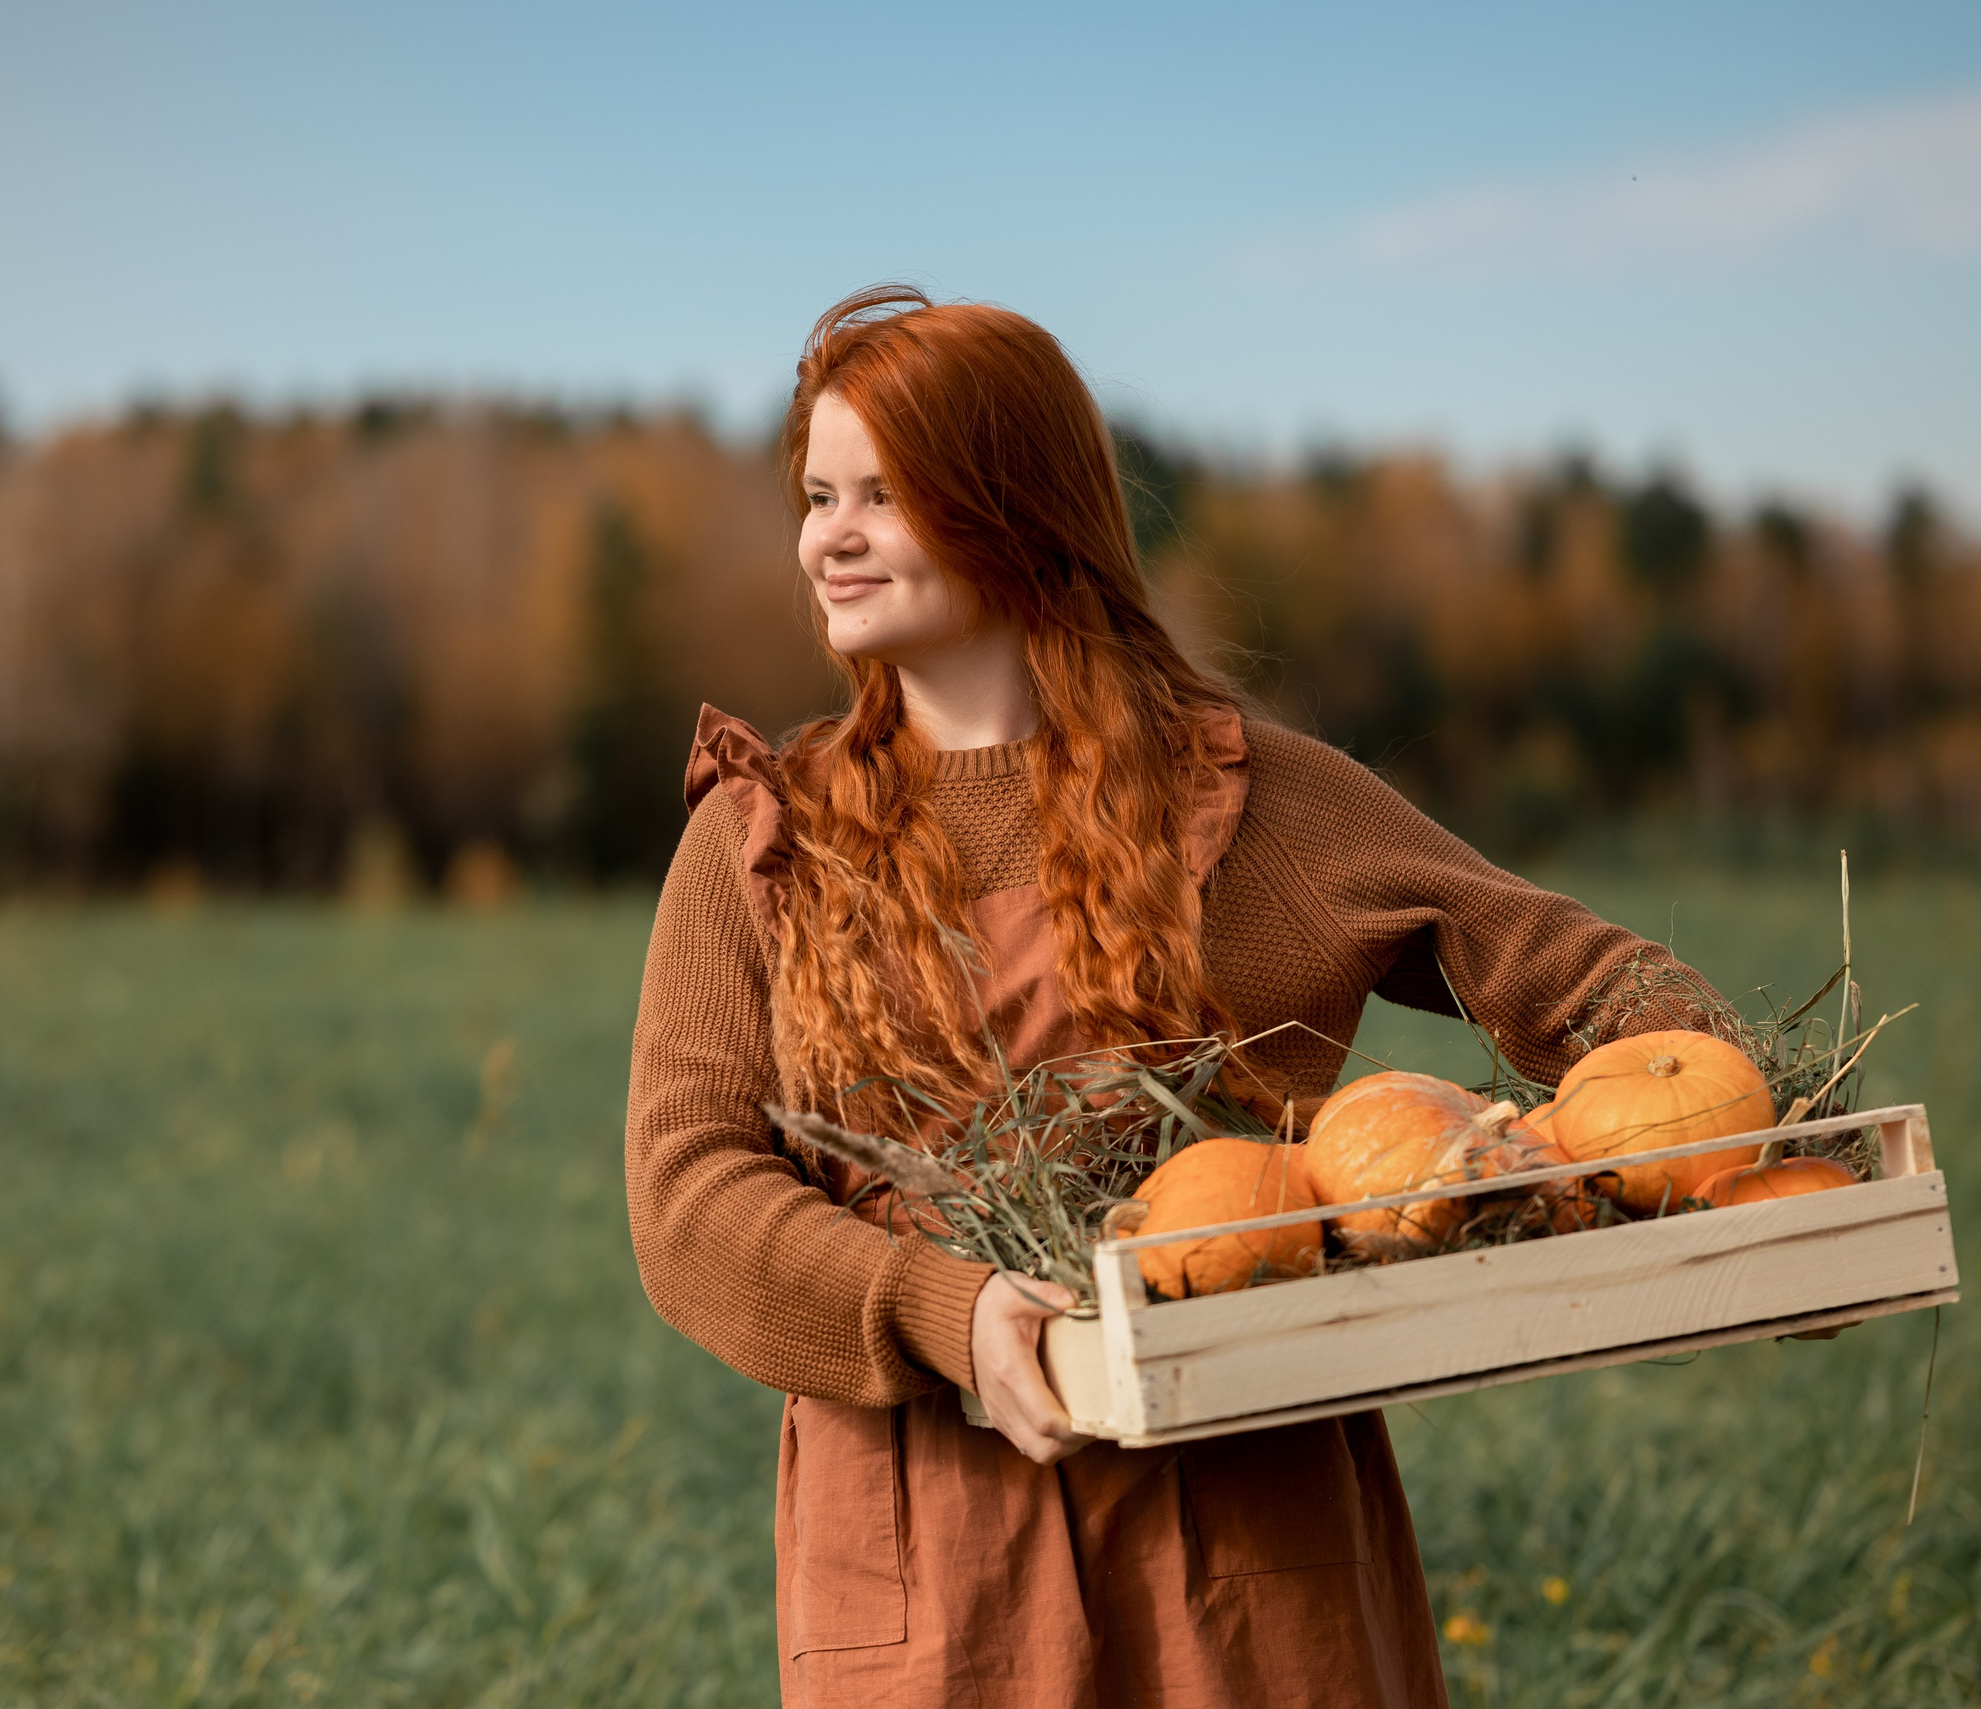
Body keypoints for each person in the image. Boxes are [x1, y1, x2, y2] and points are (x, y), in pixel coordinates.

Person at [624, 286, 1723, 1709]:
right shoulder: (764, 839)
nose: (825, 536)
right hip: (923, 1544)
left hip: (1248, 1524)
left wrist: (1747, 1141)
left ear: (1015, 508)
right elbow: (687, 1191)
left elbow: (1588, 976)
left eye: (880, 496)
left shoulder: (1247, 801)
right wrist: (940, 1309)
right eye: (818, 493)